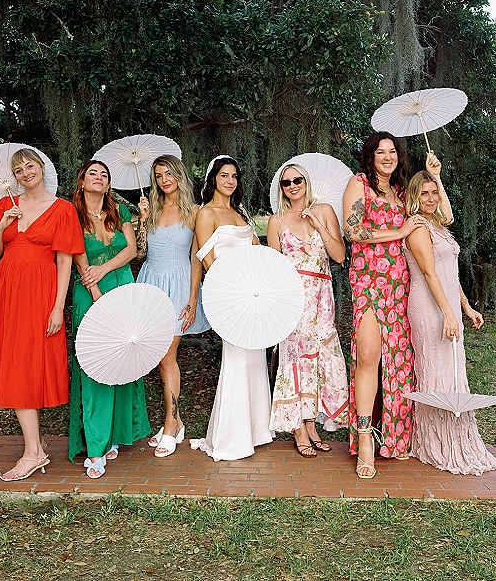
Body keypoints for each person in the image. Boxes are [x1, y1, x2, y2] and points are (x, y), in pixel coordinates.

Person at [0, 148, 84, 481]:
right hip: (8, 292)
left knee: (26, 364)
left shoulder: (63, 209)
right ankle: (34, 446)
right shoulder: (5, 206)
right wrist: (2, 228)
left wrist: (57, 306)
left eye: (30, 166)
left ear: (42, 168)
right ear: (15, 177)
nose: (25, 173)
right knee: (14, 363)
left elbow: (65, 262)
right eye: (19, 170)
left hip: (41, 293)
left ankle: (33, 453)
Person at [404, 165, 496, 475]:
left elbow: (451, 275)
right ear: (414, 197)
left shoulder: (439, 226)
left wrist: (464, 307)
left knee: (452, 371)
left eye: (435, 192)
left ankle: (456, 437)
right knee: (436, 372)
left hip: (446, 305)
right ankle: (436, 443)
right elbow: (431, 274)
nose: (432, 198)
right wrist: (447, 314)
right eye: (425, 193)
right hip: (428, 307)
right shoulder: (418, 228)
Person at [343, 131, 423, 479]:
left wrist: (433, 176)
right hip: (368, 285)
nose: (387, 157)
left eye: (392, 152)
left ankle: (395, 435)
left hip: (400, 286)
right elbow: (352, 231)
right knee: (369, 359)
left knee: (401, 364)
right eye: (381, 152)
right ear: (370, 156)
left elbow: (441, 218)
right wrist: (398, 230)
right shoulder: (358, 184)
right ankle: (365, 442)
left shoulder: (403, 193)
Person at [68, 160, 151, 478]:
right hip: (91, 294)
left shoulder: (119, 211)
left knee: (124, 362)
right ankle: (96, 447)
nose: (99, 178)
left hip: (123, 289)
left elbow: (132, 250)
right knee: (96, 366)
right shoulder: (72, 215)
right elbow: (79, 260)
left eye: (104, 174)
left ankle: (117, 435)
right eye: (93, 173)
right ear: (82, 181)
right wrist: (98, 292)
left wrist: (105, 269)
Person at [190, 155, 274, 461]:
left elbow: (256, 250)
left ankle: (255, 431)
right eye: (224, 175)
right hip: (228, 296)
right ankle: (231, 438)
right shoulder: (205, 213)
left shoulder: (240, 213)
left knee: (254, 359)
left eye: (234, 176)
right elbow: (206, 257)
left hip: (251, 295)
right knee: (236, 361)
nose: (230, 181)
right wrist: (230, 289)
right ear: (213, 178)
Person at [268, 163, 349, 457]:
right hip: (292, 299)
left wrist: (318, 224)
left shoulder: (324, 211)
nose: (292, 186)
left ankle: (312, 423)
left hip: (322, 298)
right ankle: (298, 428)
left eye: (297, 180)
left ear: (306, 181)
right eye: (286, 182)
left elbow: (339, 255)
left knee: (322, 358)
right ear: (282, 188)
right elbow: (274, 270)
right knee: (296, 359)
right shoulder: (277, 221)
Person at [136, 155, 210, 458]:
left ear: (180, 175)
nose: (164, 179)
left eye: (169, 173)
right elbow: (139, 253)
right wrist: (141, 221)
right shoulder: (150, 209)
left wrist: (193, 299)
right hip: (150, 283)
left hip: (179, 285)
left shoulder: (195, 212)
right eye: (158, 175)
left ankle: (170, 423)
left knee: (167, 355)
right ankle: (176, 421)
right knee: (157, 356)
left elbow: (197, 257)